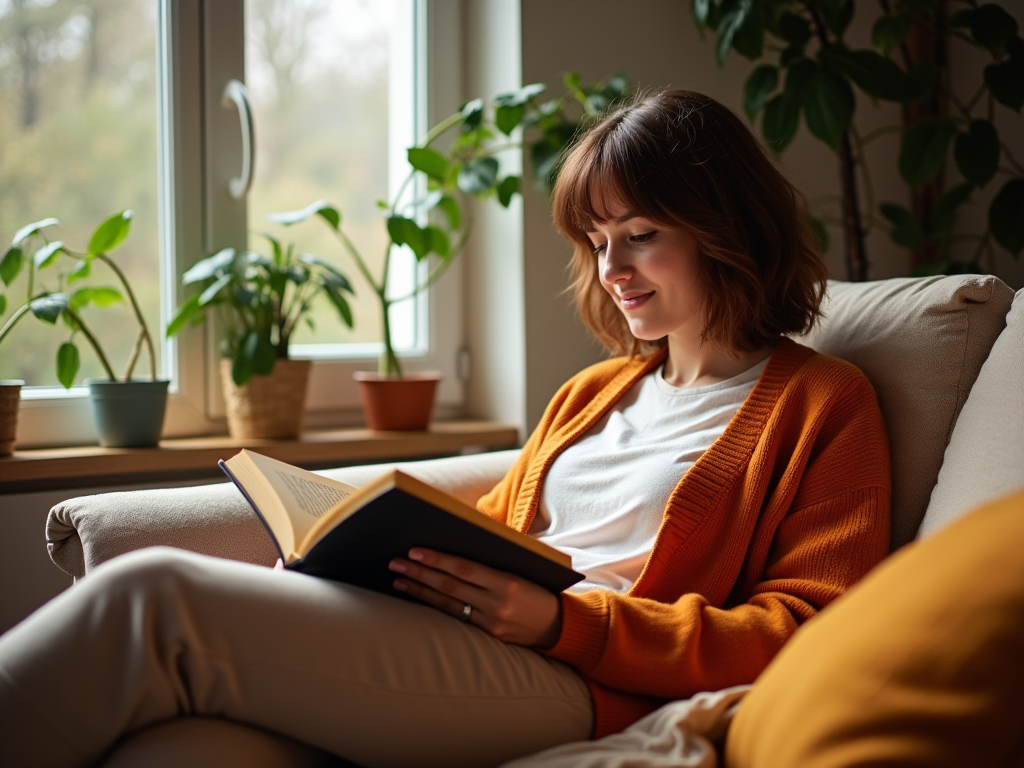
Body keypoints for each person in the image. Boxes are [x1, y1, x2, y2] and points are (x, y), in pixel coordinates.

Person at [0, 89, 890, 768]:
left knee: (157, 594)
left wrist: (564, 624)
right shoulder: (594, 391)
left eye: (641, 234)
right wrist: (343, 563)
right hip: (470, 640)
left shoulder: (822, 403)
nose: (610, 267)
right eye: (595, 240)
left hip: (581, 679)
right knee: (184, 749)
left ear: (723, 231)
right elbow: (492, 534)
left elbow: (807, 629)